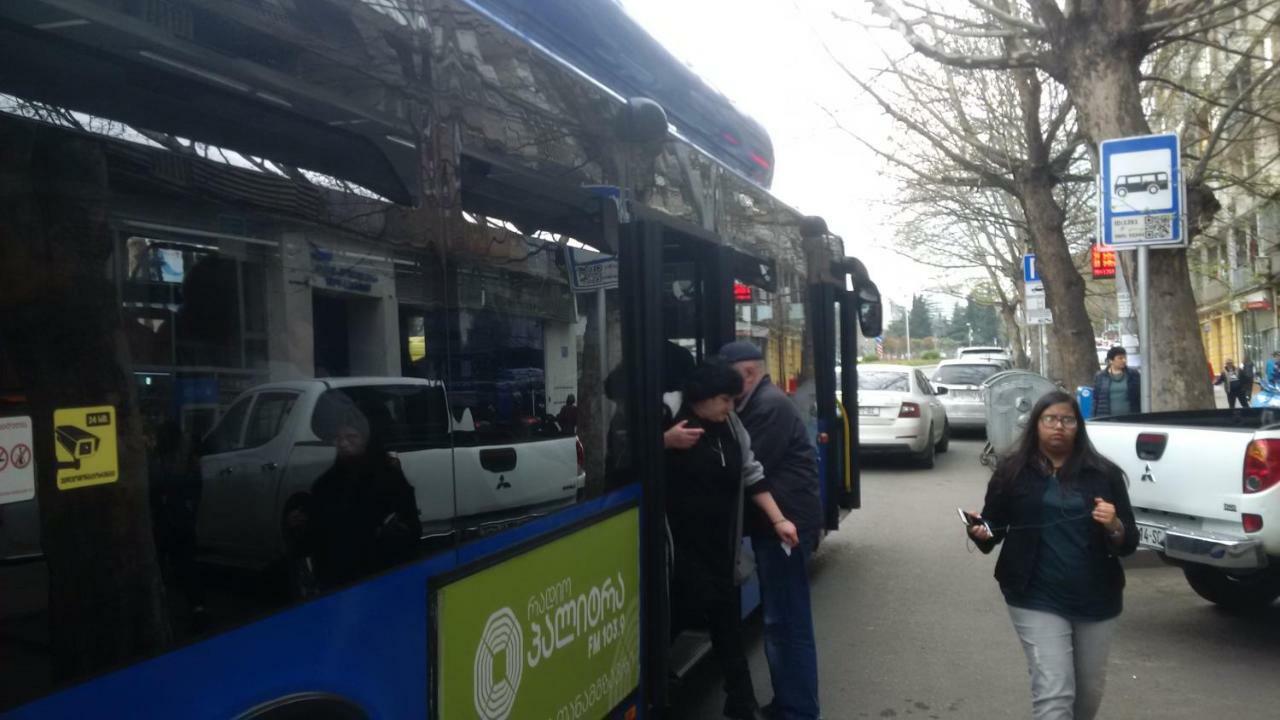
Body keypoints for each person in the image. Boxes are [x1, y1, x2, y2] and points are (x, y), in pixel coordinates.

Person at [965, 391, 1138, 720]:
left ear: (1078, 426)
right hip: (1034, 595)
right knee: (1054, 691)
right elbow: (994, 528)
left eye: (1067, 420)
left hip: (1096, 598)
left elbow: (1127, 541)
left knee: (1087, 696)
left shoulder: (1104, 474)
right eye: (1050, 419)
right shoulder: (1012, 472)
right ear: (1036, 425)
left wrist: (1114, 525)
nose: (1058, 426)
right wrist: (981, 530)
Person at [665, 360, 799, 720]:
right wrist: (662, 442)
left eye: (733, 400)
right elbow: (629, 463)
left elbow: (751, 475)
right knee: (687, 612)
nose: (730, 407)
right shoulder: (674, 426)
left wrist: (779, 519)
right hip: (681, 547)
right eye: (725, 399)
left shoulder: (731, 426)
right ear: (702, 397)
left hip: (720, 544)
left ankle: (741, 702)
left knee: (726, 624)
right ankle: (658, 681)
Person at [720, 340, 822, 720]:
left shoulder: (768, 407)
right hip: (781, 529)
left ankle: (797, 710)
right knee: (781, 621)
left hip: (785, 533)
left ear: (745, 373)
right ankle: (791, 705)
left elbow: (742, 470)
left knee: (787, 623)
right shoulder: (762, 402)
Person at [287, 409, 420, 590]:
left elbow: (412, 529)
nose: (343, 443)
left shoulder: (389, 479)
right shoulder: (326, 484)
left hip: (383, 579)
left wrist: (395, 531)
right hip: (338, 583)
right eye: (339, 438)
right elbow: (315, 537)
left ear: (366, 440)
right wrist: (298, 525)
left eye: (351, 437)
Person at [1090, 346, 1140, 417]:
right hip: (1106, 419)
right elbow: (1096, 400)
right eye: (1120, 358)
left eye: (1125, 358)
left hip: (1130, 419)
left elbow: (1139, 397)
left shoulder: (1133, 374)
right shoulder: (1100, 376)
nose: (1124, 360)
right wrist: (1093, 418)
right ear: (1111, 360)